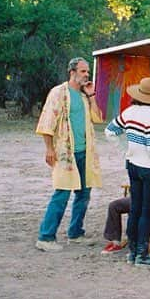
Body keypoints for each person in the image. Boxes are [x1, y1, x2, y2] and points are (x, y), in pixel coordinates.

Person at [34, 57, 104, 252]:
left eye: (87, 72)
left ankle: (75, 233)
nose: (87, 75)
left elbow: (97, 118)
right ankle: (45, 237)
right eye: (83, 71)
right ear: (72, 72)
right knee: (62, 193)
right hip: (65, 152)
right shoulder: (58, 93)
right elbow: (47, 122)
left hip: (85, 152)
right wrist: (49, 149)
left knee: (84, 193)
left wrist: (91, 95)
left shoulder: (83, 96)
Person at [104, 77, 150, 266]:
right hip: (148, 168)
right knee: (146, 211)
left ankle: (132, 251)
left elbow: (110, 132)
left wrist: (125, 149)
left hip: (132, 164)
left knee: (135, 207)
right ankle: (142, 254)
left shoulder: (129, 111)